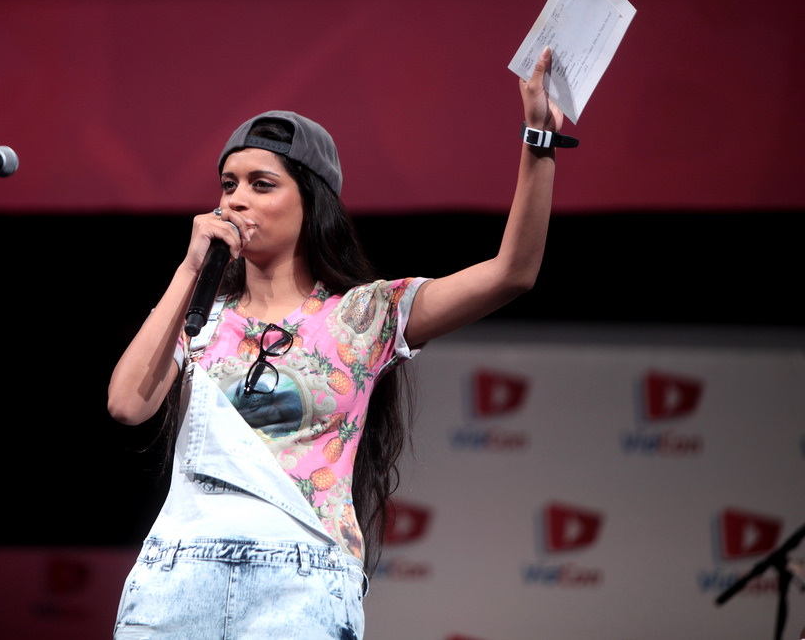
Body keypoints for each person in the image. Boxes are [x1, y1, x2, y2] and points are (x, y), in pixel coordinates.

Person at [107, 46, 565, 639]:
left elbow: (512, 273)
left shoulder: (365, 314)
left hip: (299, 584)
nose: (235, 199)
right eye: (227, 185)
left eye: (261, 183)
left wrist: (540, 143)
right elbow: (127, 404)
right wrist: (190, 272)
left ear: (310, 200)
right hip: (177, 576)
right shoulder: (197, 317)